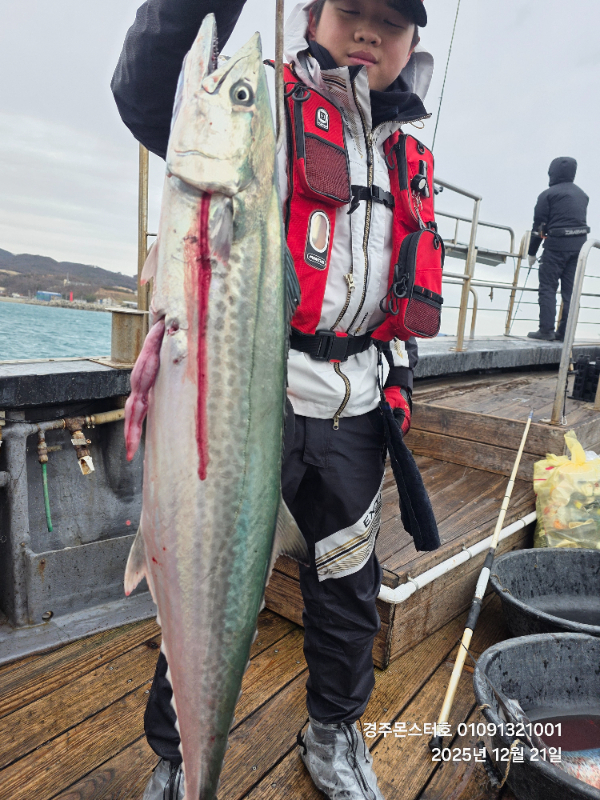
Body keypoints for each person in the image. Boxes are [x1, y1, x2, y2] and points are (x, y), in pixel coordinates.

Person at [112, 1, 436, 797]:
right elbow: (147, 91)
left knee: (349, 587)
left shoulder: (407, 151)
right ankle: (180, 756)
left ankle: (333, 731)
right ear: (312, 15)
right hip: (251, 401)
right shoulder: (270, 109)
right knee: (202, 573)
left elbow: (394, 287)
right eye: (351, 9)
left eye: (391, 21)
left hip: (355, 408)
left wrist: (397, 381)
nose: (368, 30)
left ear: (413, 43)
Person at [527, 157, 589, 342]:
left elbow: (539, 227)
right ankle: (565, 333)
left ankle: (546, 330)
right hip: (580, 249)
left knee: (548, 288)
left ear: (552, 172)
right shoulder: (582, 195)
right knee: (571, 293)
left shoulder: (547, 195)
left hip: (555, 247)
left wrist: (531, 252)